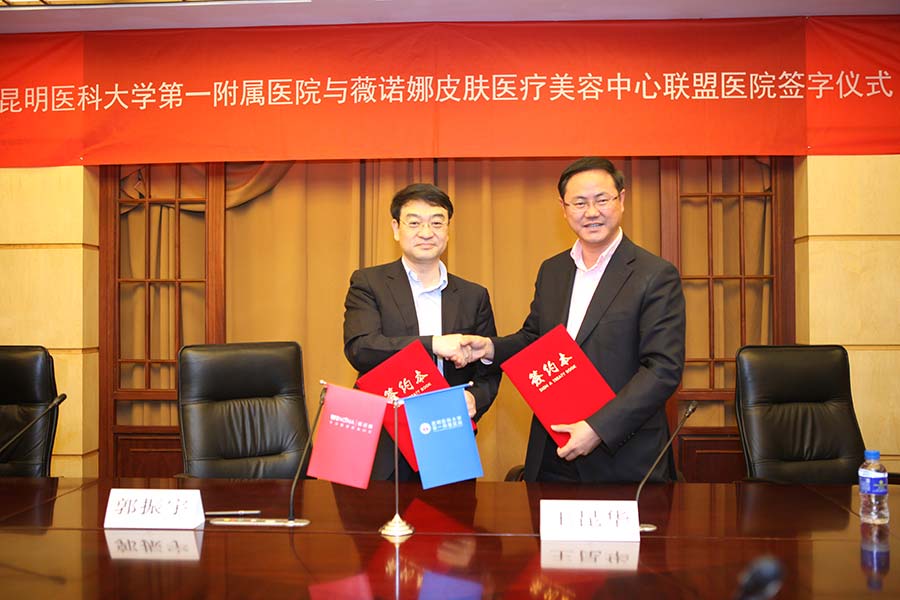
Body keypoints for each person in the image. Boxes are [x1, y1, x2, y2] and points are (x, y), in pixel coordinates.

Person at [457, 157, 686, 483]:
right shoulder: (553, 270)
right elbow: (535, 340)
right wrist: (489, 348)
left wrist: (597, 429)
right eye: (579, 203)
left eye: (601, 200)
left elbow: (662, 370)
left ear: (621, 199)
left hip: (622, 457)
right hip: (553, 453)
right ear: (563, 209)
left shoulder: (655, 275)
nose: (591, 212)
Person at [343, 183, 501, 481]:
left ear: (448, 230)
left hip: (447, 435)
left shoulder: (473, 295)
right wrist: (433, 344)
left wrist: (475, 399)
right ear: (396, 228)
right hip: (384, 438)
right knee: (375, 512)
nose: (426, 232)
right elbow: (361, 348)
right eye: (414, 223)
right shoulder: (369, 283)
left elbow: (489, 370)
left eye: (437, 223)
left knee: (452, 512)